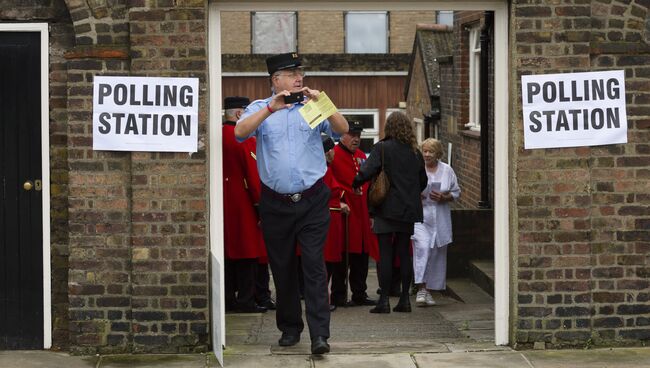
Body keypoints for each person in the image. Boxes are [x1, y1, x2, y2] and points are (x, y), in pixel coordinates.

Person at [234, 52, 349, 355]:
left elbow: (342, 128)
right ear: (276, 80)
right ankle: (289, 328)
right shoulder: (261, 109)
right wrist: (271, 109)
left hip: (312, 200)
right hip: (275, 203)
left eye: (301, 73)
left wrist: (322, 101)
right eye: (291, 73)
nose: (299, 78)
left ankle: (320, 335)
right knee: (282, 267)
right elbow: (239, 133)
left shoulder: (312, 108)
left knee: (314, 267)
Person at [352, 111, 427, 314]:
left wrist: (355, 183)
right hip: (408, 209)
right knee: (404, 254)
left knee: (385, 255)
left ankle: (384, 301)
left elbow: (366, 172)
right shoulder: (415, 152)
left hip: (386, 208)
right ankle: (404, 300)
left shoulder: (382, 148)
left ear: (389, 127)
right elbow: (423, 181)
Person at [222, 96, 267, 313]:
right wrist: (261, 205)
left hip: (224, 203)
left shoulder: (219, 135)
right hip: (244, 204)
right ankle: (247, 300)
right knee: (248, 254)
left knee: (228, 254)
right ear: (240, 114)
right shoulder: (243, 138)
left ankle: (228, 299)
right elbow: (253, 174)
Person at [329, 121, 378, 307]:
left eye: (358, 135)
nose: (356, 139)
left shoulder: (360, 155)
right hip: (345, 212)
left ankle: (360, 293)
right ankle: (339, 295)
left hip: (362, 211)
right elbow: (329, 178)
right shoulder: (334, 154)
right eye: (352, 135)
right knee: (342, 256)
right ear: (342, 135)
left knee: (361, 255)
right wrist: (339, 198)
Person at [412, 138, 460, 306]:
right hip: (421, 217)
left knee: (437, 254)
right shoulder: (417, 169)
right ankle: (421, 289)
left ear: (438, 153)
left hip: (440, 217)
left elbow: (456, 193)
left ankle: (430, 291)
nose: (427, 154)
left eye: (430, 151)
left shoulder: (447, 170)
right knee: (423, 249)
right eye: (424, 151)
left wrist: (444, 197)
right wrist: (416, 196)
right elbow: (407, 190)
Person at [321, 134, 350, 312]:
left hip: (333, 218)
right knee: (325, 262)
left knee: (330, 262)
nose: (333, 152)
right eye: (330, 149)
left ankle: (327, 296)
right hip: (327, 218)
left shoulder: (327, 167)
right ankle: (324, 298)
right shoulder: (321, 169)